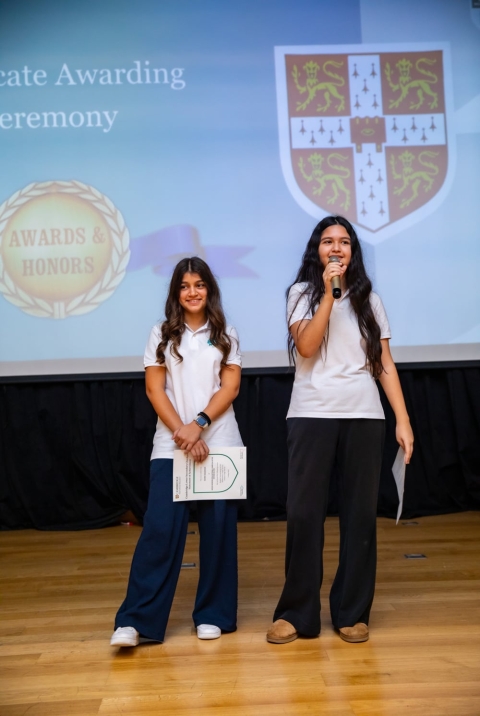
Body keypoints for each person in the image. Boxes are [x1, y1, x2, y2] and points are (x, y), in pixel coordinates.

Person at [266, 215, 414, 645]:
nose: (337, 248)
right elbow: (307, 346)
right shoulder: (301, 294)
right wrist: (329, 296)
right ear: (317, 251)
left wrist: (403, 419)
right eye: (328, 241)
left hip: (364, 415)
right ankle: (296, 614)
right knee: (304, 515)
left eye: (345, 242)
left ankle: (351, 612)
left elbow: (384, 364)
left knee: (359, 516)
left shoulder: (371, 301)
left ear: (353, 251)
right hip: (311, 413)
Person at [111, 257, 243, 646]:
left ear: (209, 289)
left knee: (218, 534)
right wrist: (183, 433)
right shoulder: (161, 333)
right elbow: (155, 390)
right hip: (171, 445)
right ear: (176, 293)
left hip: (220, 444)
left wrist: (198, 424)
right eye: (184, 286)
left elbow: (230, 387)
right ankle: (136, 621)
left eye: (199, 285)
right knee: (160, 531)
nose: (192, 292)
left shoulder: (227, 333)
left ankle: (214, 614)